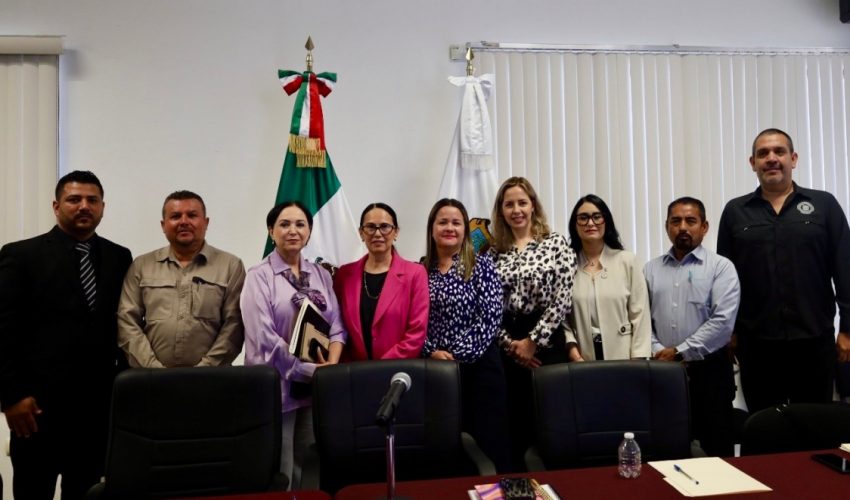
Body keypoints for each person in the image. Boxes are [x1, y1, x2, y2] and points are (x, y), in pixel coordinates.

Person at [0, 171, 132, 499]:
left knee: (88, 494)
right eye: (74, 199)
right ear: (56, 206)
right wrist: (11, 397)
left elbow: (122, 328)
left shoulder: (120, 257)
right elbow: (4, 329)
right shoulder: (21, 255)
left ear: (103, 207)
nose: (84, 206)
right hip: (35, 412)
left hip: (96, 413)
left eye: (92, 200)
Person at [718, 128, 850, 413]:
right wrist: (728, 332)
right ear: (752, 163)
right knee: (764, 426)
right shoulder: (735, 212)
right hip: (756, 344)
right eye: (763, 153)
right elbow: (725, 282)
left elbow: (845, 270)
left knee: (814, 425)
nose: (771, 158)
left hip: (814, 339)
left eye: (779, 151)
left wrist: (847, 330)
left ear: (794, 158)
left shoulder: (824, 205)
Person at [240, 201, 346, 490]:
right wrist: (309, 371)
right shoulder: (258, 276)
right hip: (278, 387)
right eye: (284, 224)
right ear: (271, 231)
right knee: (281, 468)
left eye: (300, 224)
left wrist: (330, 367)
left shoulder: (321, 274)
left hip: (315, 389)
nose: (293, 230)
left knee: (310, 466)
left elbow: (337, 326)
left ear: (309, 231)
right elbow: (264, 339)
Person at [489, 176, 577, 470]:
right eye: (509, 204)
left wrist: (532, 342)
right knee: (514, 424)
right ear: (501, 210)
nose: (516, 210)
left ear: (533, 206)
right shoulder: (494, 251)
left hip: (546, 342)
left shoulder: (555, 243)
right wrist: (510, 345)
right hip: (507, 343)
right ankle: (516, 486)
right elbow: (488, 307)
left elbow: (563, 298)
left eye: (522, 203)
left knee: (548, 422)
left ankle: (552, 486)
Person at [645, 197, 741, 456]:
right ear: (667, 226)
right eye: (676, 221)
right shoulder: (650, 270)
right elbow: (642, 320)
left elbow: (722, 323)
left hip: (710, 373)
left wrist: (679, 352)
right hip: (663, 374)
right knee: (666, 452)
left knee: (716, 454)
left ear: (704, 227)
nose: (683, 227)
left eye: (691, 221)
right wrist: (658, 351)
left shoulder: (721, 268)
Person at [422, 198, 511, 472]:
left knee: (489, 445)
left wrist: (456, 355)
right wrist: (430, 351)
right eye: (443, 222)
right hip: (436, 371)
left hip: (480, 369)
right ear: (432, 229)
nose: (450, 228)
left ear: (465, 229)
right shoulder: (421, 270)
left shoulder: (481, 265)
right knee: (446, 446)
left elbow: (491, 316)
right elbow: (414, 320)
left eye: (456, 222)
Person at [117, 190, 245, 367]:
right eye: (175, 216)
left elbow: (235, 325)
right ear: (163, 225)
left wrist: (205, 370)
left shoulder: (230, 266)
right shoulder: (142, 266)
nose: (184, 222)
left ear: (206, 222)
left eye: (192, 215)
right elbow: (127, 321)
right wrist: (152, 369)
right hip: (150, 377)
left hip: (211, 378)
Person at [333, 203, 429, 361]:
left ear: (396, 232)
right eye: (370, 227)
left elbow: (417, 333)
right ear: (361, 233)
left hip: (398, 370)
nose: (377, 233)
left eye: (385, 227)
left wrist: (380, 369)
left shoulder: (415, 274)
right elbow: (337, 325)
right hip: (354, 370)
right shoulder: (344, 275)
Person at [565, 194, 651, 360]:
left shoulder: (627, 261)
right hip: (582, 358)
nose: (590, 223)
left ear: (606, 221)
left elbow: (640, 315)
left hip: (624, 358)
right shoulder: (566, 266)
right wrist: (573, 351)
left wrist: (638, 360)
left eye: (597, 217)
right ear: (575, 224)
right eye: (583, 218)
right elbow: (561, 318)